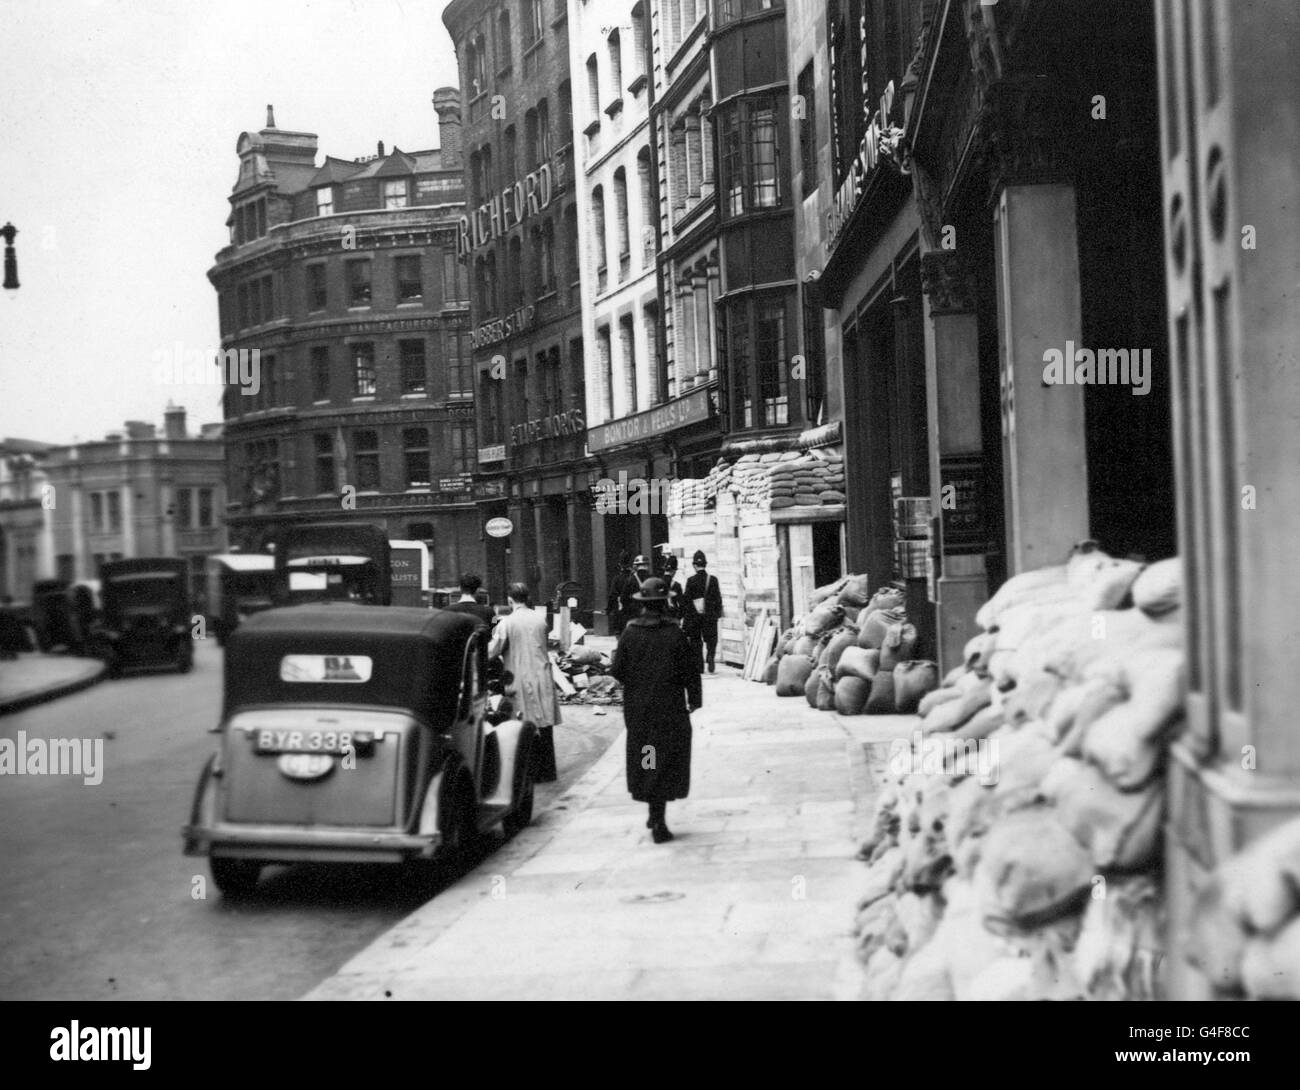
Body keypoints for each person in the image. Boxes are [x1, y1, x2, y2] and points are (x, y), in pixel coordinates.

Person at [609, 576, 701, 843]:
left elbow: (618, 671)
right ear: (664, 603)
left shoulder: (630, 632)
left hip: (641, 713)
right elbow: (690, 671)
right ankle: (658, 815)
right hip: (670, 711)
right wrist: (694, 700)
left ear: (642, 604)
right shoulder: (674, 633)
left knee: (648, 757)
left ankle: (653, 808)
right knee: (669, 758)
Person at [488, 582, 561, 781]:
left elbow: (493, 650)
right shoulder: (540, 619)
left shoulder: (506, 623)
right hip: (542, 674)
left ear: (510, 600)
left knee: (523, 724)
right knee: (545, 724)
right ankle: (548, 770)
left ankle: (531, 772)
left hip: (520, 675)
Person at [681, 550, 724, 673]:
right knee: (711, 639)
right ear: (705, 564)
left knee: (696, 641)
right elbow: (718, 598)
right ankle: (710, 656)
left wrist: (687, 617)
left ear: (694, 565)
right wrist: (717, 613)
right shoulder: (713, 580)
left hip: (695, 617)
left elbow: (686, 601)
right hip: (710, 616)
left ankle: (699, 665)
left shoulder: (691, 580)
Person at [606, 551, 639, 637]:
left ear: (620, 564)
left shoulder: (617, 579)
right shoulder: (635, 578)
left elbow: (612, 595)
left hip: (621, 612)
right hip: (634, 611)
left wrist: (608, 609)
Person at [660, 553, 684, 620]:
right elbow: (682, 606)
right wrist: (678, 619)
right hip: (672, 619)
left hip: (660, 620)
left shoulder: (657, 583)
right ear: (674, 571)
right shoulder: (676, 585)